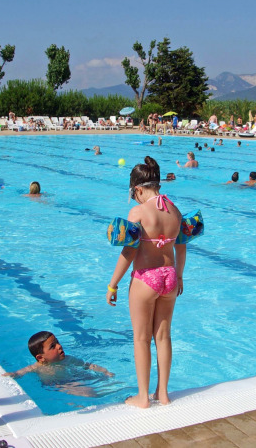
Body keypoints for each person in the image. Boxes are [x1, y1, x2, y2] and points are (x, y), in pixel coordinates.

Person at [107, 156, 186, 408]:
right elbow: (182, 247)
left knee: (141, 339)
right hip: (170, 277)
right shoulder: (175, 210)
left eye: (135, 193)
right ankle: (162, 394)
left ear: (138, 189)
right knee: (163, 337)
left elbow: (129, 252)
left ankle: (143, 397)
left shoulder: (139, 211)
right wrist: (180, 275)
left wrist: (113, 283)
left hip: (146, 279)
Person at [2, 331, 112, 383]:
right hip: (56, 385)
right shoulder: (37, 367)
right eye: (53, 346)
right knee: (87, 393)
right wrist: (14, 374)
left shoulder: (69, 359)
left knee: (99, 379)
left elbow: (88, 366)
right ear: (40, 358)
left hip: (72, 378)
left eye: (57, 342)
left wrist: (104, 371)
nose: (59, 346)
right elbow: (22, 372)